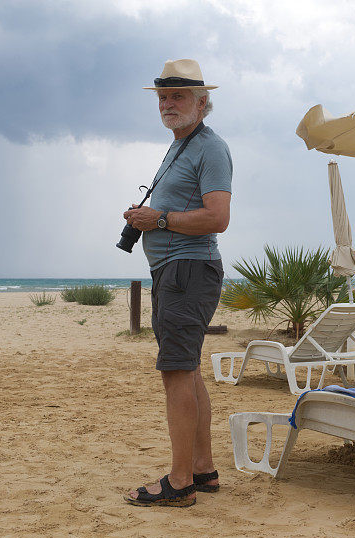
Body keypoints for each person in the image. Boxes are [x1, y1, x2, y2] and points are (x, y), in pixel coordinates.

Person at [122, 59, 232, 507]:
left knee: (175, 373)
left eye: (179, 96)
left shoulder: (210, 148)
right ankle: (203, 470)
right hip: (176, 272)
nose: (168, 104)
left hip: (189, 270)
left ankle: (180, 480)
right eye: (163, 97)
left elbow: (218, 218)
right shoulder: (180, 147)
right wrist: (148, 217)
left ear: (203, 103)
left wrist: (160, 217)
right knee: (186, 370)